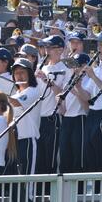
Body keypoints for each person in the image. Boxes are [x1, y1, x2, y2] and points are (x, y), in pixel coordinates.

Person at [74, 31, 102, 173]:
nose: (99, 48)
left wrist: (93, 77)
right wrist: (78, 85)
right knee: (89, 155)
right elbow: (87, 97)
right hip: (93, 113)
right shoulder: (96, 68)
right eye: (98, 45)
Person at [35, 35, 66, 175]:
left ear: (60, 49)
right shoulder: (40, 67)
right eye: (45, 47)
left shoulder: (64, 68)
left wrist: (47, 80)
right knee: (39, 159)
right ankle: (40, 194)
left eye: (50, 48)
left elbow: (62, 93)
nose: (46, 51)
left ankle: (51, 193)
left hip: (53, 118)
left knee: (52, 159)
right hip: (38, 118)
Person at [57, 53, 90, 173]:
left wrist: (77, 90)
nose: (74, 68)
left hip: (80, 119)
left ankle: (78, 190)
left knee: (78, 156)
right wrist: (59, 102)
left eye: (77, 65)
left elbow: (87, 107)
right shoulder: (68, 81)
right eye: (72, 66)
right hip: (67, 120)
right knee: (65, 155)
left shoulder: (87, 81)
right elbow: (64, 110)